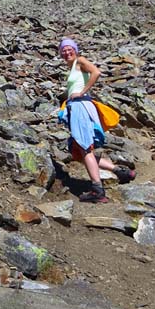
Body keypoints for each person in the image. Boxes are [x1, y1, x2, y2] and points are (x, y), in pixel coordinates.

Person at [58, 38, 136, 203]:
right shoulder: (72, 67)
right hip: (77, 107)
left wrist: (81, 92)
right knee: (80, 153)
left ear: (75, 49)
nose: (66, 52)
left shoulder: (80, 61)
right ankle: (121, 171)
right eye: (63, 50)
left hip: (80, 106)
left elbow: (96, 72)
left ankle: (97, 190)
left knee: (85, 148)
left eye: (69, 48)